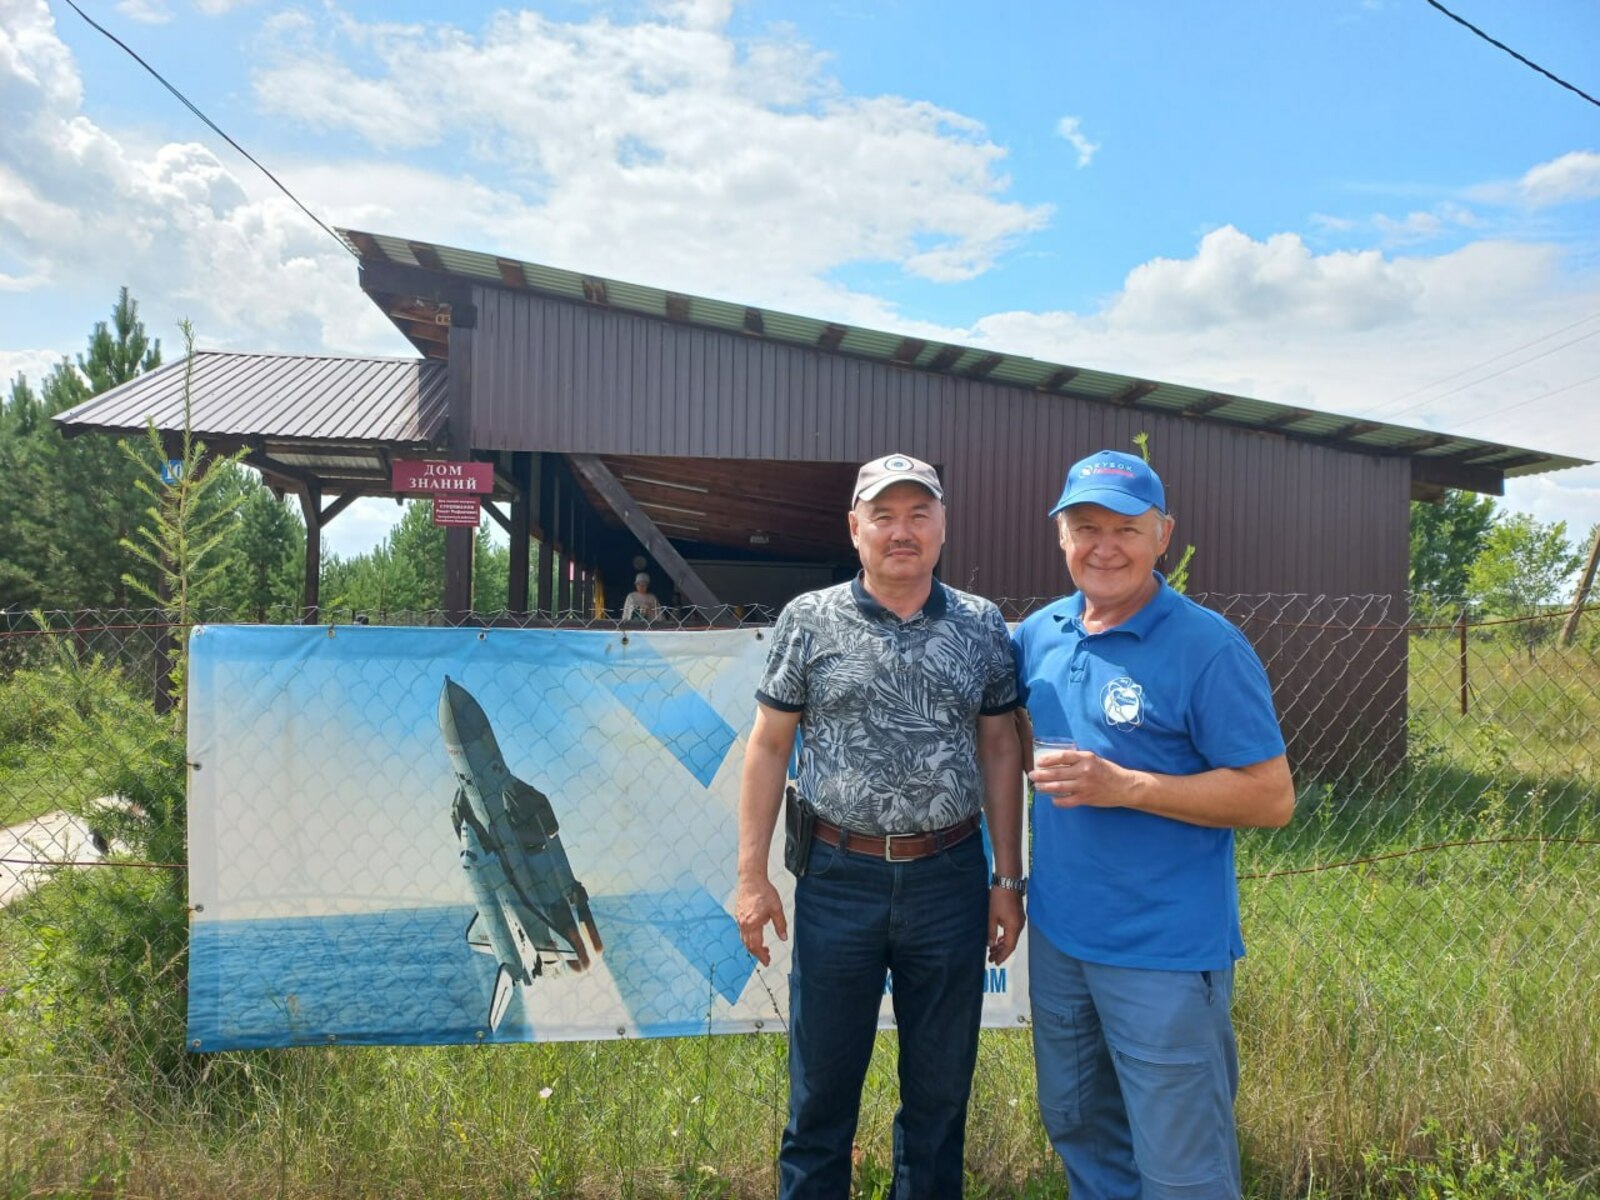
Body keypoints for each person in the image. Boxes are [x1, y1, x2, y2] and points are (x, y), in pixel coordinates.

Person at [735, 452, 1025, 1199]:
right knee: (820, 1100)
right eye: (885, 515)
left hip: (949, 879)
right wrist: (750, 875)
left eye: (918, 513)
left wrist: (1006, 879)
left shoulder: (983, 626)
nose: (903, 531)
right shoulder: (809, 619)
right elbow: (768, 745)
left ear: (942, 525)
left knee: (937, 1101)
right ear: (854, 528)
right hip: (838, 880)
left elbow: (999, 748)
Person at [1012, 449, 1296, 1200]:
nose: (1104, 546)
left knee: (1182, 1169)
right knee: (1081, 1135)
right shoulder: (1039, 634)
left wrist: (1127, 786)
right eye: (1085, 527)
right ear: (1061, 537)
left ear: (1162, 534)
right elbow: (998, 743)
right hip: (1061, 939)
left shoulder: (1207, 646)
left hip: (1165, 954)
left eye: (1126, 529)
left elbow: (1270, 797)